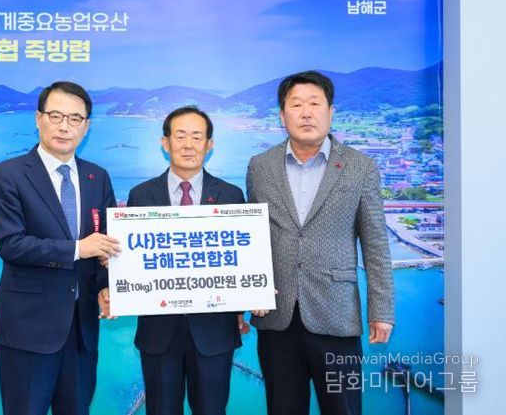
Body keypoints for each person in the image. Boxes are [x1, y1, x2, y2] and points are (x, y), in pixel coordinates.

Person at [246, 71, 395, 415]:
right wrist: (249, 291)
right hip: (277, 318)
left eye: (315, 103)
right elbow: (252, 236)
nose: (306, 113)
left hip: (336, 316)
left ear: (330, 111)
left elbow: (375, 245)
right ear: (282, 115)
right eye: (296, 104)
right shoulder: (260, 166)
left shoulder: (360, 167)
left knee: (343, 409)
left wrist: (381, 311)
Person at [0, 81, 121, 415]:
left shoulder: (98, 177)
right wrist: (77, 248)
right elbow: (11, 244)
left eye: (75, 119)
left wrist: (108, 287)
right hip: (29, 330)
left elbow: (105, 244)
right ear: (38, 119)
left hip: (82, 329)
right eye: (56, 116)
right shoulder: (8, 175)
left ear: (86, 126)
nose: (64, 126)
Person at [126, 106, 246, 415]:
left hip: (214, 333)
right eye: (180, 136)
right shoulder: (141, 196)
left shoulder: (232, 196)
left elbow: (243, 260)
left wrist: (247, 299)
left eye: (197, 137)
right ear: (165, 143)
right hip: (158, 333)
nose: (189, 145)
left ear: (210, 144)